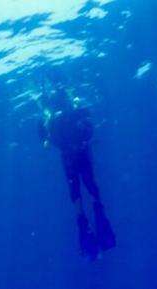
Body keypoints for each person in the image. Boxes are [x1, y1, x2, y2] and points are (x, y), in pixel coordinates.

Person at [38, 85, 116, 260]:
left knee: (75, 191)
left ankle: (83, 221)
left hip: (68, 157)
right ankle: (98, 210)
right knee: (90, 184)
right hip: (82, 152)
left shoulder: (50, 119)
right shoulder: (73, 112)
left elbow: (45, 142)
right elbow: (88, 125)